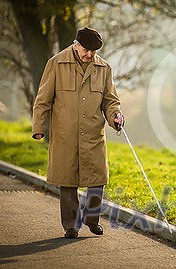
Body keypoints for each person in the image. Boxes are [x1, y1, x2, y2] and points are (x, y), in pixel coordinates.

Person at [32, 27, 124, 238]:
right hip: (65, 134)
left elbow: (110, 101)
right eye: (86, 50)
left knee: (97, 179)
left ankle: (92, 219)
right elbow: (42, 100)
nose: (89, 55)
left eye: (93, 51)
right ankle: (71, 225)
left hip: (93, 133)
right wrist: (38, 128)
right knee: (67, 180)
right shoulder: (56, 63)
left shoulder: (104, 68)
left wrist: (116, 116)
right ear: (76, 44)